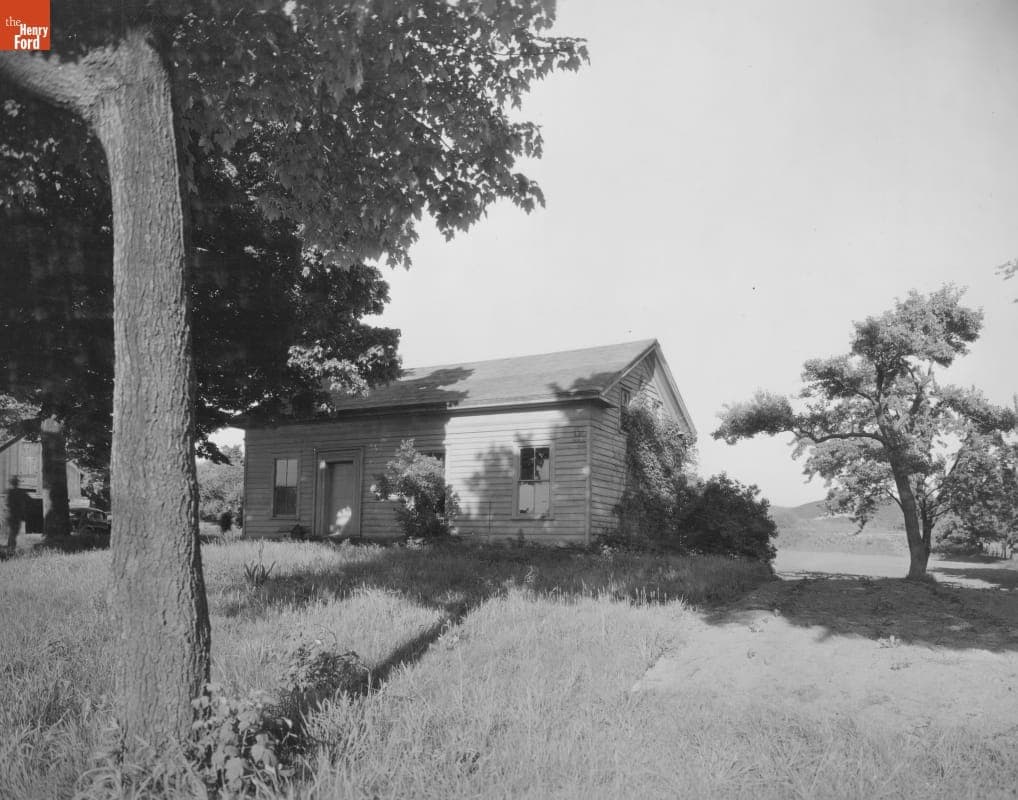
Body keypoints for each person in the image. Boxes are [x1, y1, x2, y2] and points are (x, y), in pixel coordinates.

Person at [5, 476, 28, 553]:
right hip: (16, 515)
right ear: (17, 483)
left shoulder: (10, 492)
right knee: (14, 532)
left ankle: (10, 546)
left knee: (12, 531)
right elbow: (25, 501)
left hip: (11, 514)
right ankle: (11, 547)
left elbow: (7, 503)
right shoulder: (20, 492)